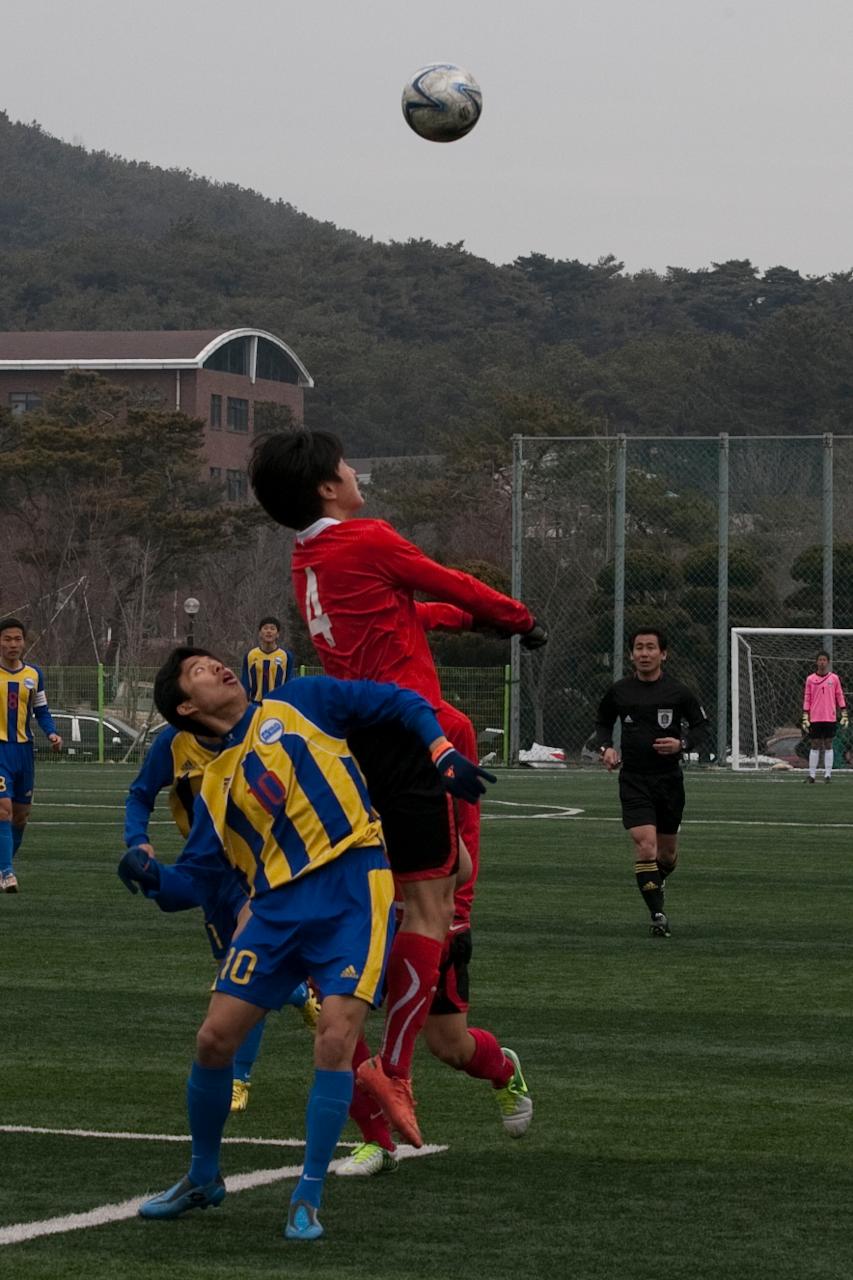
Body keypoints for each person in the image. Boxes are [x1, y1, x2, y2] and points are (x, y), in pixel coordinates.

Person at [117, 647, 493, 1242]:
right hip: (273, 907)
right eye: (199, 671)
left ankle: (307, 1198)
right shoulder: (214, 784)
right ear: (186, 706)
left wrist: (439, 747)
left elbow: (398, 700)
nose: (218, 666)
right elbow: (200, 881)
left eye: (214, 660)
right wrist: (152, 878)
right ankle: (202, 1176)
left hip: (353, 888)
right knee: (214, 1039)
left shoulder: (302, 700)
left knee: (335, 1037)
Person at [248, 428, 545, 1147]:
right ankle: (390, 1084)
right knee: (436, 894)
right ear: (326, 486)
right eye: (346, 466)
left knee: (409, 923)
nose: (355, 473)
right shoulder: (368, 537)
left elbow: (402, 613)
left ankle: (407, 1081)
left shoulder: (307, 558)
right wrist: (515, 617)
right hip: (411, 735)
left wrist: (467, 621)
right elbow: (444, 581)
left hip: (354, 743)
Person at [338, 604, 532, 1176]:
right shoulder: (342, 713)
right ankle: (375, 1137)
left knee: (447, 1044)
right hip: (365, 897)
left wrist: (455, 910)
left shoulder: (449, 724)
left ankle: (501, 1068)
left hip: (432, 899)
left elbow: (463, 833)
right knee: (338, 1017)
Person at [124, 722, 319, 1113]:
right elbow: (140, 794)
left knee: (242, 972)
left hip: (258, 866)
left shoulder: (256, 733)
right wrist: (136, 839)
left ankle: (238, 1078)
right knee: (238, 970)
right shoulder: (173, 742)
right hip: (207, 869)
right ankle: (299, 993)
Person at [593, 628, 708, 938]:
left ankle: (658, 881)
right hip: (634, 780)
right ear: (631, 655)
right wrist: (607, 748)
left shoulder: (679, 692)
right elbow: (602, 723)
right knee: (646, 846)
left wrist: (681, 744)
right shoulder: (619, 691)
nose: (644, 653)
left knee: (666, 855)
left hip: (669, 781)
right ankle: (658, 914)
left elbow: (701, 727)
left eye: (650, 648)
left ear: (663, 654)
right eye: (639, 648)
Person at [0, 616, 62, 892]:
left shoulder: (34, 674)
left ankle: (3, 865)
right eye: (7, 639)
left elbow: (42, 710)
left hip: (24, 752)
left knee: (21, 816)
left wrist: (51, 733)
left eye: (17, 639)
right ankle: (7, 873)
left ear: (24, 642)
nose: (13, 644)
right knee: (4, 810)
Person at [801, 650, 847, 784]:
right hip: (815, 717)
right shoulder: (810, 679)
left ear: (828, 662)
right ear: (816, 662)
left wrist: (844, 712)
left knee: (828, 744)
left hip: (830, 716)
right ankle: (812, 775)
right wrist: (805, 715)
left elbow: (839, 695)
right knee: (814, 744)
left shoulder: (834, 678)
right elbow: (807, 697)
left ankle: (827, 775)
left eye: (824, 660)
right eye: (820, 660)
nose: (822, 662)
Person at [240, 615, 295, 702]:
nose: (269, 631)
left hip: (278, 704)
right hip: (255, 704)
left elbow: (290, 683)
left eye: (272, 629)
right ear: (260, 633)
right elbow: (245, 682)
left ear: (277, 634)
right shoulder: (250, 655)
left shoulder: (286, 656)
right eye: (265, 628)